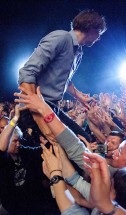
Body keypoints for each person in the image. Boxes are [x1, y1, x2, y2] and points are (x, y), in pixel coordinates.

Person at [18, 10, 107, 142]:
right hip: (35, 110)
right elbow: (27, 72)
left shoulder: (79, 52)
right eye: (98, 33)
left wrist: (80, 96)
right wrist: (35, 110)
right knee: (54, 151)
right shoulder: (61, 38)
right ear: (90, 27)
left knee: (84, 140)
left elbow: (65, 80)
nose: (98, 38)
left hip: (51, 107)